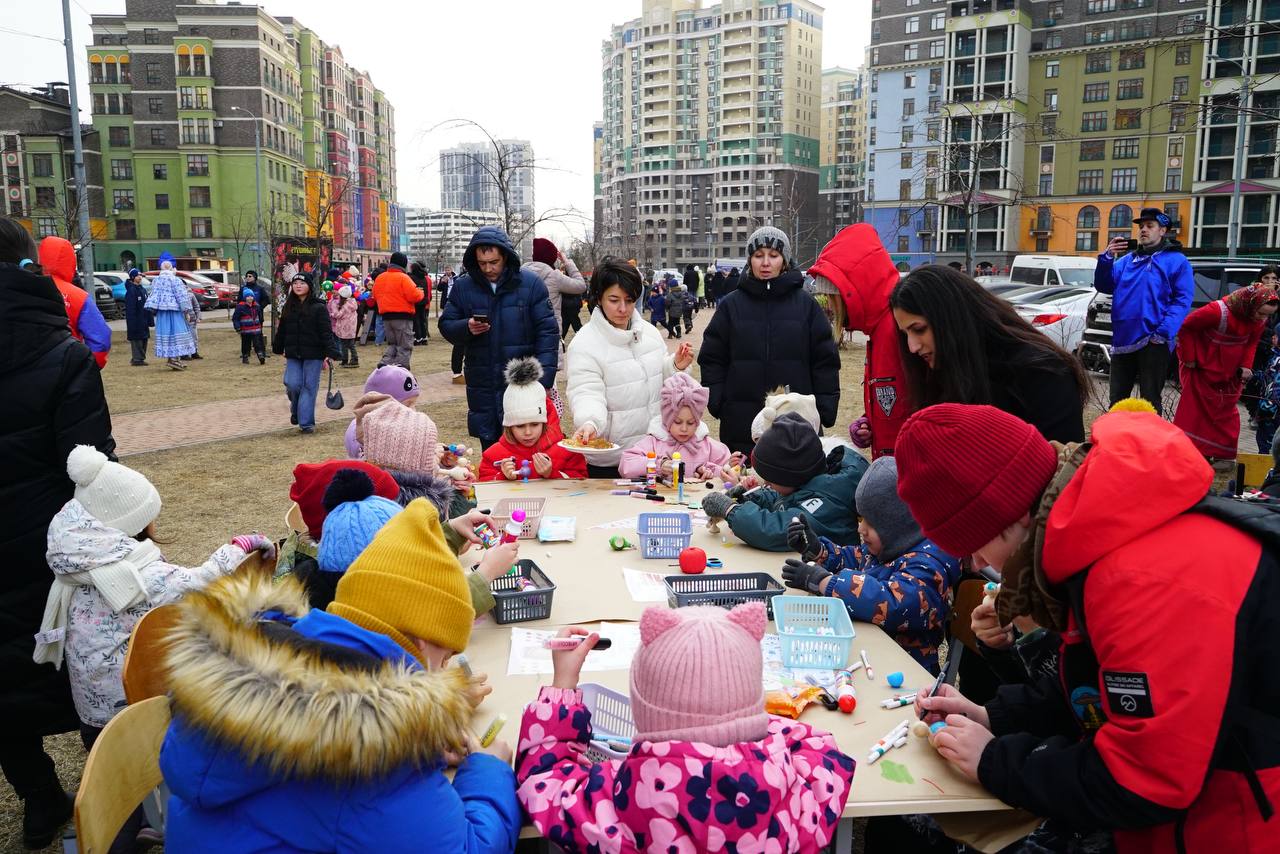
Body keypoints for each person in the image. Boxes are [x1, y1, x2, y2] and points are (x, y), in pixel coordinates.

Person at [897, 403, 1280, 853]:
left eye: (974, 546)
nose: (979, 565)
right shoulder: (1090, 541)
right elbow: (1096, 688)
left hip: (1237, 824)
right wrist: (992, 718)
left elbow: (1145, 779)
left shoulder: (1141, 580)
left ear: (1012, 516)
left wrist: (995, 761)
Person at [159, 499, 522, 852]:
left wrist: (426, 745)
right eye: (447, 658)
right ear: (424, 642)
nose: (446, 671)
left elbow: (311, 799)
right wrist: (488, 770)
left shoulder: (268, 660)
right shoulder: (373, 753)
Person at [515, 602, 854, 851]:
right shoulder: (794, 795)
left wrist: (563, 685)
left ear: (643, 709)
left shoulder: (624, 798)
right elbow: (820, 747)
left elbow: (543, 780)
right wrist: (748, 723)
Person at [0, 217, 115, 849]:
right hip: (53, 541)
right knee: (83, 661)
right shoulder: (60, 351)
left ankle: (41, 801)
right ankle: (107, 793)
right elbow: (91, 463)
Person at [39, 445, 268, 742]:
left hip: (91, 713)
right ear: (134, 523)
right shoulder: (135, 577)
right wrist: (243, 545)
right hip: (131, 708)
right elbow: (205, 582)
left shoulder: (79, 563)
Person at [780, 456, 961, 673]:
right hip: (871, 656)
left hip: (907, 673)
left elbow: (891, 603)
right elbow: (857, 559)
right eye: (861, 519)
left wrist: (825, 582)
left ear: (900, 525)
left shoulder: (928, 567)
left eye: (871, 523)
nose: (861, 529)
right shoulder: (889, 547)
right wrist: (819, 551)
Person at [890, 264, 1087, 444]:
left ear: (952, 318)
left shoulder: (1043, 373)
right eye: (905, 334)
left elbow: (1062, 471)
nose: (912, 347)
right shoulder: (942, 370)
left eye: (919, 329)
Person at [699, 226, 841, 455]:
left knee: (795, 485)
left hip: (797, 422)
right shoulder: (730, 306)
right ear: (750, 260)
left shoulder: (806, 306)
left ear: (784, 260)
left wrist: (823, 408)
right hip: (740, 424)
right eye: (758, 255)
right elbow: (712, 357)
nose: (765, 263)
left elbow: (825, 360)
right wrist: (719, 402)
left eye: (773, 256)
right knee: (742, 486)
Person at [565, 259, 695, 477]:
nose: (623, 309)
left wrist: (674, 367)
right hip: (611, 459)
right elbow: (586, 391)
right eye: (614, 300)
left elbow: (659, 381)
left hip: (655, 453)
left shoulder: (649, 333)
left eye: (629, 300)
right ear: (599, 298)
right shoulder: (584, 344)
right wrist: (590, 422)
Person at [438, 227, 560, 449]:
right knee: (492, 451)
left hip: (523, 381)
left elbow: (548, 333)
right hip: (483, 381)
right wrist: (466, 327)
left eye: (494, 262)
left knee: (528, 449)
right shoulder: (464, 287)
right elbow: (446, 324)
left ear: (505, 256)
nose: (488, 268)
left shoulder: (531, 285)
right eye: (482, 263)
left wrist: (543, 382)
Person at [808, 223, 910, 458]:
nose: (832, 310)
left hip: (909, 471)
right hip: (893, 468)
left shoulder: (900, 329)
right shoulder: (877, 332)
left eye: (833, 299)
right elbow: (895, 401)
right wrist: (870, 422)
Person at [699, 413, 867, 551]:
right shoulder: (807, 482)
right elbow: (785, 499)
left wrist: (730, 510)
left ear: (791, 477)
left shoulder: (828, 503)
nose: (766, 483)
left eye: (771, 479)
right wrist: (748, 497)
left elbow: (775, 530)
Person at [1095, 207, 1194, 410]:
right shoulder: (1126, 261)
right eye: (1141, 226)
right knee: (1117, 402)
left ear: (1163, 230)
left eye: (1150, 226)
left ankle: (1149, 442)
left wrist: (1164, 332)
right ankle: (1116, 441)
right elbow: (1104, 285)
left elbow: (1183, 299)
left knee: (1150, 401)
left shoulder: (1177, 261)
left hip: (1154, 340)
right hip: (1123, 339)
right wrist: (1106, 259)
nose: (1143, 230)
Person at [1173, 283, 1278, 461]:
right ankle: (1189, 455)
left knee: (1226, 414)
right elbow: (1186, 328)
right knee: (1195, 414)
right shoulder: (1217, 311)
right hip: (1201, 370)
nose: (1263, 319)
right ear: (1251, 303)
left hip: (1229, 375)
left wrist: (1246, 366)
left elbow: (1251, 342)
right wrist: (1188, 357)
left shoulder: (1258, 320)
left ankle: (1221, 456)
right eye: (1261, 313)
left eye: (1267, 315)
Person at [478, 358, 586, 481]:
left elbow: (580, 482)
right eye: (520, 426)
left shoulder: (568, 451)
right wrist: (502, 477)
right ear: (509, 426)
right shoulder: (493, 455)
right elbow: (483, 491)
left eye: (535, 424)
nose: (528, 432)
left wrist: (552, 473)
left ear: (545, 423)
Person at [618, 371, 734, 480]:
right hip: (659, 500)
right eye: (677, 422)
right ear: (666, 419)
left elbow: (731, 473)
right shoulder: (654, 443)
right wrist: (658, 465)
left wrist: (712, 471)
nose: (684, 429)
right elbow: (626, 465)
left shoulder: (708, 446)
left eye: (690, 423)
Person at [273, 273, 339, 434]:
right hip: (293, 354)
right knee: (292, 384)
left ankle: (306, 423)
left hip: (314, 354)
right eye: (295, 283)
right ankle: (296, 409)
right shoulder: (289, 306)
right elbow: (282, 330)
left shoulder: (318, 307)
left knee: (309, 387)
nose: (298, 285)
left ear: (309, 286)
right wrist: (278, 347)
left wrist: (331, 352)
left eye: (302, 283)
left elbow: (326, 332)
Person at [37, 235, 112, 369]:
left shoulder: (25, 288)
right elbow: (100, 337)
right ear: (71, 261)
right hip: (66, 366)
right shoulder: (78, 296)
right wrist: (88, 368)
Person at [522, 237, 586, 371]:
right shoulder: (554, 276)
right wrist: (567, 262)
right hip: (549, 335)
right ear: (552, 257)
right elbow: (581, 285)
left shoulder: (521, 274)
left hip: (524, 335)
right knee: (549, 381)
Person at [343, 365, 419, 458]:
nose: (413, 411)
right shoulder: (362, 431)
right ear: (380, 402)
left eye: (414, 404)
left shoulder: (402, 427)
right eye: (407, 405)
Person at [144, 252, 197, 370]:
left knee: (167, 334)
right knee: (177, 333)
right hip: (175, 312)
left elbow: (153, 297)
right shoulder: (175, 280)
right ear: (173, 266)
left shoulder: (156, 280)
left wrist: (153, 309)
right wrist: (188, 311)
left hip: (163, 314)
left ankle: (173, 359)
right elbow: (181, 296)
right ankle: (174, 359)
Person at [371, 251, 424, 370]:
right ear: (403, 264)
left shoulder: (380, 278)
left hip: (386, 318)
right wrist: (421, 292)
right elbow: (414, 296)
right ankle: (401, 370)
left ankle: (385, 363)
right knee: (405, 345)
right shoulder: (403, 278)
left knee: (393, 344)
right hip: (403, 317)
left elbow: (374, 295)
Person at [123, 268, 151, 367]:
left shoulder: (142, 289)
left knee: (144, 338)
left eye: (141, 276)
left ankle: (140, 357)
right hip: (136, 320)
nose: (140, 277)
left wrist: (149, 319)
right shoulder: (131, 291)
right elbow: (131, 309)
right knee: (137, 340)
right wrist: (132, 323)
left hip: (143, 319)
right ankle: (137, 359)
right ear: (133, 277)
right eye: (138, 276)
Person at [232, 287, 267, 365]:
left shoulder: (257, 306)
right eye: (247, 296)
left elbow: (260, 316)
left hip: (256, 330)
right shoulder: (240, 307)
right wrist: (237, 327)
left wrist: (259, 324)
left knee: (257, 343)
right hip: (245, 330)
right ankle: (245, 356)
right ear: (244, 298)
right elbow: (235, 318)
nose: (250, 298)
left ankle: (260, 356)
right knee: (246, 344)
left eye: (251, 296)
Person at [327, 283, 359, 368]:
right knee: (351, 344)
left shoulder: (345, 306)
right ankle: (354, 359)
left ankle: (345, 360)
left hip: (344, 328)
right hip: (351, 327)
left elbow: (338, 315)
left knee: (344, 345)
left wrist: (331, 314)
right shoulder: (353, 302)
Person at [409, 261, 432, 345]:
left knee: (416, 321)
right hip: (423, 301)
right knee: (422, 320)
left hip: (415, 301)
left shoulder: (411, 277)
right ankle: (424, 337)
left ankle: (417, 338)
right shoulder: (424, 277)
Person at [182, 281, 203, 360]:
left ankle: (194, 352)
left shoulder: (190, 294)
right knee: (184, 337)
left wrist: (198, 317)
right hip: (182, 320)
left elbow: (196, 306)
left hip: (192, 319)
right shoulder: (176, 296)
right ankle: (185, 354)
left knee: (194, 336)